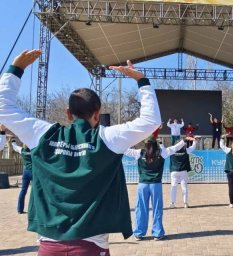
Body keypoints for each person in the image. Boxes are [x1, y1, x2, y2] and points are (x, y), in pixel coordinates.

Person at [0, 49, 161, 255]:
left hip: (49, 245)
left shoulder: (41, 135)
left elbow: (3, 108)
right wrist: (142, 81)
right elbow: (151, 121)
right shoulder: (107, 139)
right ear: (97, 114)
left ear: (68, 114)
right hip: (91, 245)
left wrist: (16, 69)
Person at [124, 136, 186, 241]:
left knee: (140, 209)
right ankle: (157, 233)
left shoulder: (139, 152)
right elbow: (174, 148)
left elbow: (126, 150)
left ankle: (139, 233)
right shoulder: (162, 152)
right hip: (156, 184)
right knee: (157, 209)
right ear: (155, 143)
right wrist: (184, 141)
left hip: (142, 184)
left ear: (145, 143)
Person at [169, 137, 198, 209]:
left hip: (174, 171)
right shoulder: (186, 150)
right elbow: (193, 147)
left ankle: (172, 203)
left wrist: (160, 143)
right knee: (184, 187)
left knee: (173, 187)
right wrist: (195, 140)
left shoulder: (171, 150)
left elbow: (163, 149)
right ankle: (185, 203)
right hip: (183, 171)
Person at [12, 140, 33, 214]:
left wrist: (13, 140)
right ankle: (33, 209)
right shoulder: (34, 150)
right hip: (33, 172)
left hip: (26, 172)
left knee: (23, 191)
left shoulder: (22, 150)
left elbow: (14, 146)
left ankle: (20, 209)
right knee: (34, 191)